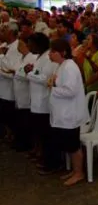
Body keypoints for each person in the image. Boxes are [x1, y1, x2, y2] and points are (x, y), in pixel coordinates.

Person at [47, 39, 89, 186]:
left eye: (53, 51)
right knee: (68, 143)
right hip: (63, 112)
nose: (50, 54)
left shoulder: (70, 67)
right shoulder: (61, 66)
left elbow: (70, 91)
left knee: (73, 145)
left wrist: (53, 86)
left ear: (63, 53)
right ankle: (74, 170)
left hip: (70, 113)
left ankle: (79, 173)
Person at [27, 33, 58, 166]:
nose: (29, 46)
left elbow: (46, 79)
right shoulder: (39, 57)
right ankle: (41, 153)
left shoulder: (47, 57)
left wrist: (30, 73)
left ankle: (49, 160)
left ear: (38, 44)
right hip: (36, 100)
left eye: (30, 43)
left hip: (43, 101)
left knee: (45, 133)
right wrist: (32, 71)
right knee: (39, 131)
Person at [12, 38, 37, 153]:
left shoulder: (32, 57)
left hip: (26, 94)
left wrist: (16, 73)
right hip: (19, 92)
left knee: (26, 122)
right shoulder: (21, 57)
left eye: (20, 45)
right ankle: (20, 142)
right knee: (19, 120)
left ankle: (26, 144)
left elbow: (28, 74)